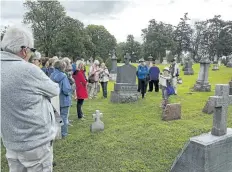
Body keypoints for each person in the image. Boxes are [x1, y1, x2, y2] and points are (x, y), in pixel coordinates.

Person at [1, 24, 59, 171]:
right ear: (24, 50)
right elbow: (54, 89)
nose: (31, 54)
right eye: (31, 50)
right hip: (35, 144)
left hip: (11, 141)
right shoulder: (28, 70)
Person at [50, 60, 72, 139]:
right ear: (63, 67)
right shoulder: (63, 76)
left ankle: (56, 134)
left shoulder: (51, 75)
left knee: (56, 117)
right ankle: (64, 134)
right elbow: (66, 89)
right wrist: (71, 90)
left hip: (54, 99)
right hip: (64, 99)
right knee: (64, 117)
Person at [62, 57, 75, 126]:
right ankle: (66, 121)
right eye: (69, 62)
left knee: (68, 105)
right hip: (67, 90)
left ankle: (67, 119)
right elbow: (70, 80)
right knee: (67, 106)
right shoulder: (65, 72)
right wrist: (72, 80)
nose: (70, 64)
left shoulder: (67, 71)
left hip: (69, 88)